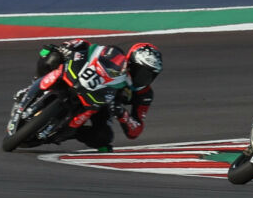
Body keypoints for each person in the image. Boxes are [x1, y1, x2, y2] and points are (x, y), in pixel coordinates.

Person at [23, 39, 163, 150]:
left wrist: (122, 114)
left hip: (103, 105)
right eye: (142, 72)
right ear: (130, 63)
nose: (144, 78)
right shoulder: (115, 55)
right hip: (85, 81)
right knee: (51, 55)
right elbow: (91, 49)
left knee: (103, 137)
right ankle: (33, 86)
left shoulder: (144, 94)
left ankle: (70, 131)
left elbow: (136, 130)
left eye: (151, 75)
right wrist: (68, 47)